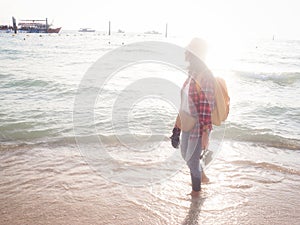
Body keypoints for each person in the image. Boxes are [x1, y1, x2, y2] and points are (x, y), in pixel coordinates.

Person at [171, 37, 215, 197]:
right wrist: (176, 128)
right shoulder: (192, 74)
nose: (186, 52)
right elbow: (184, 103)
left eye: (189, 49)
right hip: (187, 122)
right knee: (185, 154)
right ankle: (202, 175)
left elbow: (207, 107)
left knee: (191, 160)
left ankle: (196, 193)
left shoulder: (206, 76)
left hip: (198, 125)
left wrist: (205, 133)